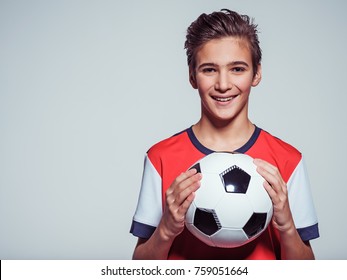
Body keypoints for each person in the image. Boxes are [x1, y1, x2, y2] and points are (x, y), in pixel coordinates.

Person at [130, 9, 319, 260]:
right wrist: (165, 230)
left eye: (237, 69)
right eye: (209, 70)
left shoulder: (287, 160)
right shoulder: (160, 158)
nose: (223, 84)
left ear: (257, 73)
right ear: (192, 75)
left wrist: (286, 228)